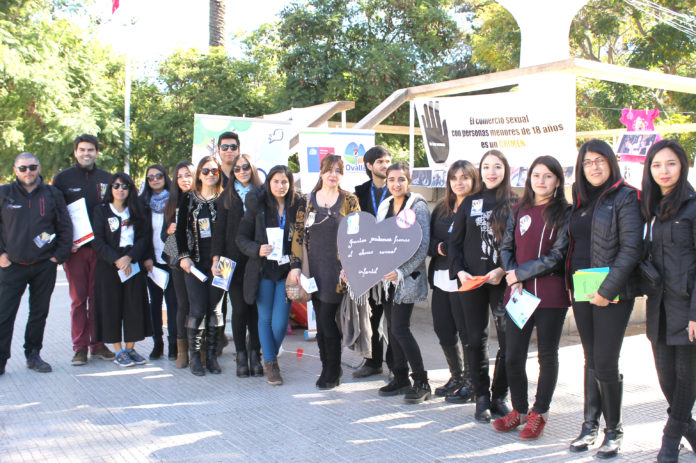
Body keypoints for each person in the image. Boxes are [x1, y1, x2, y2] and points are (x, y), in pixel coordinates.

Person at [566, 139, 641, 459]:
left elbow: (631, 248)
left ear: (611, 162)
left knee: (606, 361)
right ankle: (589, 425)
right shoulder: (580, 199)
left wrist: (607, 291)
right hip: (582, 288)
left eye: (600, 160)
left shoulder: (626, 196)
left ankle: (614, 431)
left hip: (612, 292)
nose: (594, 167)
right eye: (587, 162)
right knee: (590, 359)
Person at [495, 156, 571, 439]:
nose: (541, 181)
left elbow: (558, 254)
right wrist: (512, 273)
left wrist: (521, 273)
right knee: (513, 355)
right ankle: (519, 410)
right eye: (536, 175)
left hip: (551, 295)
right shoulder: (519, 209)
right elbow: (506, 245)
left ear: (558, 181)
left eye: (548, 176)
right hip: (519, 294)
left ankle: (539, 413)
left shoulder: (565, 212)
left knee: (547, 355)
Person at [448, 149, 517, 423]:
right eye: (486, 167)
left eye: (497, 166)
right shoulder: (470, 203)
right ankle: (481, 397)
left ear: (506, 170)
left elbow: (521, 247)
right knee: (475, 340)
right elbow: (454, 243)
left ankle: (500, 395)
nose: (491, 172)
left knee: (508, 341)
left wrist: (503, 271)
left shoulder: (516, 203)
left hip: (504, 282)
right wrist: (460, 272)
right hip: (472, 282)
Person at [640, 139, 696, 463]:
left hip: (687, 309)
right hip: (658, 310)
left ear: (683, 166)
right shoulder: (650, 209)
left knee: (687, 382)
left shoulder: (693, 205)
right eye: (657, 164)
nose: (664, 170)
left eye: (671, 163)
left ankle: (668, 443)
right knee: (668, 383)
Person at [288, 154, 361, 389]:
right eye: (329, 170)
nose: (333, 174)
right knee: (321, 320)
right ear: (321, 172)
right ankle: (328, 366)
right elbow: (298, 235)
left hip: (338, 272)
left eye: (338, 170)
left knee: (328, 321)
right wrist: (296, 266)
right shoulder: (307, 201)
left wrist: (352, 267)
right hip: (314, 270)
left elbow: (358, 237)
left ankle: (332, 368)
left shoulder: (349, 200)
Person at [0, 152, 72, 375]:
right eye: (22, 168)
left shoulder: (52, 194)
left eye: (32, 167)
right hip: (12, 265)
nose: (28, 172)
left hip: (44, 265)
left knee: (38, 313)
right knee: (4, 313)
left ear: (38, 168)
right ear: (15, 171)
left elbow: (65, 227)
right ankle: (1, 358)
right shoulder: (4, 193)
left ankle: (33, 354)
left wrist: (57, 257)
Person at [237, 165, 304, 385]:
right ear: (269, 183)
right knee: (265, 320)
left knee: (280, 323)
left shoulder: (297, 207)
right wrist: (257, 249)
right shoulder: (258, 207)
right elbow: (241, 238)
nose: (280, 186)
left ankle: (266, 355)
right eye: (276, 181)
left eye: (284, 181)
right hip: (263, 271)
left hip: (287, 273)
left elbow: (303, 238)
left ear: (290, 183)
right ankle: (271, 366)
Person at [53, 134, 115, 365]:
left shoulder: (107, 178)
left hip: (101, 250)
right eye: (82, 150)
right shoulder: (62, 179)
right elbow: (56, 214)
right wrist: (64, 242)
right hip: (76, 251)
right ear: (75, 152)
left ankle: (98, 344)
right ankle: (80, 347)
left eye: (90, 150)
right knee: (79, 300)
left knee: (97, 298)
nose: (86, 154)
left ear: (97, 152)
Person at [375, 162, 432, 403]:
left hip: (406, 279)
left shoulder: (417, 206)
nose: (396, 184)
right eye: (391, 180)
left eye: (401, 179)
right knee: (391, 328)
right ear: (386, 182)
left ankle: (421, 381)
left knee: (400, 328)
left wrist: (400, 272)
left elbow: (421, 246)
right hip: (386, 280)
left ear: (408, 181)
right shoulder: (385, 205)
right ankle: (400, 378)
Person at [428, 160, 479, 402]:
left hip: (465, 279)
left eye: (464, 177)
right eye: (454, 178)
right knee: (443, 330)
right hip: (440, 278)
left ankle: (472, 381)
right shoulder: (441, 208)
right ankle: (457, 376)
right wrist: (438, 247)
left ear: (473, 180)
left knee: (467, 332)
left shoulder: (478, 208)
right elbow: (424, 241)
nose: (459, 182)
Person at [92, 173, 152, 368]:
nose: (120, 190)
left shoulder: (137, 210)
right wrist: (116, 260)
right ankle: (118, 350)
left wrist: (129, 257)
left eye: (124, 186)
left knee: (133, 306)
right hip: (109, 266)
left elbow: (144, 238)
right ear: (110, 189)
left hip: (132, 263)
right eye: (116, 186)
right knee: (111, 307)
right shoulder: (101, 211)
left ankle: (130, 348)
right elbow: (98, 241)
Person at [212, 152, 263, 377]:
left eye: (245, 167)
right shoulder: (226, 196)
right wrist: (216, 260)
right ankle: (241, 354)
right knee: (239, 310)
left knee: (255, 311)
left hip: (257, 260)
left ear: (252, 168)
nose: (242, 171)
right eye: (237, 168)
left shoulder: (263, 194)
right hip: (230, 262)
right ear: (232, 173)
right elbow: (218, 232)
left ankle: (255, 354)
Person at [176, 156, 226, 376]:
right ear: (198, 174)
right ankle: (195, 357)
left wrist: (221, 259)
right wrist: (183, 257)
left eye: (214, 171)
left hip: (221, 263)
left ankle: (212, 357)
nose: (210, 175)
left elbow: (229, 232)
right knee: (196, 309)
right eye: (205, 171)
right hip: (194, 262)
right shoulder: (188, 200)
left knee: (215, 310)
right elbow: (178, 232)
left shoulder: (225, 199)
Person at [352, 145, 393, 378]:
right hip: (368, 263)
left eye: (388, 161)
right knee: (372, 316)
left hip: (392, 263)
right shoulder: (359, 193)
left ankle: (396, 366)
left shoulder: (398, 190)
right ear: (369, 166)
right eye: (380, 162)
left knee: (395, 320)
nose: (385, 166)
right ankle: (372, 361)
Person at [139, 164, 177, 361]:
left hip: (170, 259)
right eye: (150, 177)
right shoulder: (142, 203)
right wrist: (146, 258)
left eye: (158, 176)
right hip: (151, 262)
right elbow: (141, 234)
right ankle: (157, 343)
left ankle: (173, 345)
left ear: (165, 177)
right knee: (154, 303)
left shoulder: (174, 200)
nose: (154, 180)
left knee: (172, 303)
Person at [162, 161, 194, 368]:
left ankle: (199, 348)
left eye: (188, 175)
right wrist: (169, 230)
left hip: (199, 258)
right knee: (183, 304)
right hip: (177, 260)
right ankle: (182, 350)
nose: (184, 179)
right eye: (180, 176)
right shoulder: (172, 202)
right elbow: (162, 235)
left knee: (200, 306)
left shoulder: (203, 198)